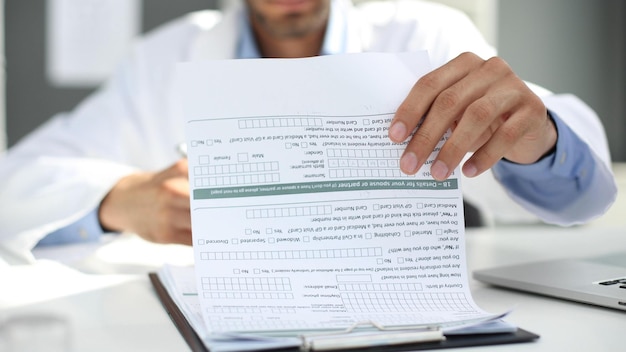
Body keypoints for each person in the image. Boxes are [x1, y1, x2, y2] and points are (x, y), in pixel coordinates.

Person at [0, 0, 616, 264]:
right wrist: (115, 201)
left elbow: (583, 198)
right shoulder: (163, 59)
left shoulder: (425, 38)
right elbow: (16, 181)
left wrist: (542, 140)